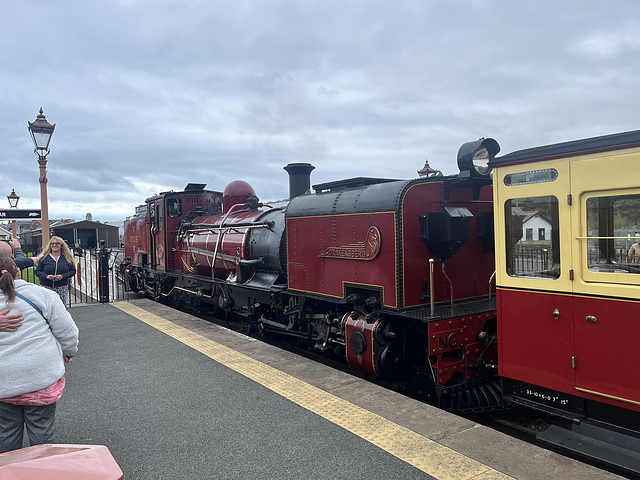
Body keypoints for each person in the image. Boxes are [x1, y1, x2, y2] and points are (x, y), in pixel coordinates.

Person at [0, 255, 79, 453]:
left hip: (3, 384)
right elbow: (67, 331)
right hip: (40, 380)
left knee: (6, 434)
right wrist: (69, 350)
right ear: (18, 271)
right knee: (42, 433)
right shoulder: (43, 295)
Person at [35, 237, 76, 306]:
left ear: (61, 245)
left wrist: (62, 276)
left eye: (57, 243)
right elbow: (37, 271)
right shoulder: (44, 258)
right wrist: (46, 276)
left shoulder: (67, 258)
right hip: (46, 286)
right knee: (47, 305)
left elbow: (72, 271)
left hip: (61, 286)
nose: (54, 245)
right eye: (52, 243)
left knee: (61, 305)